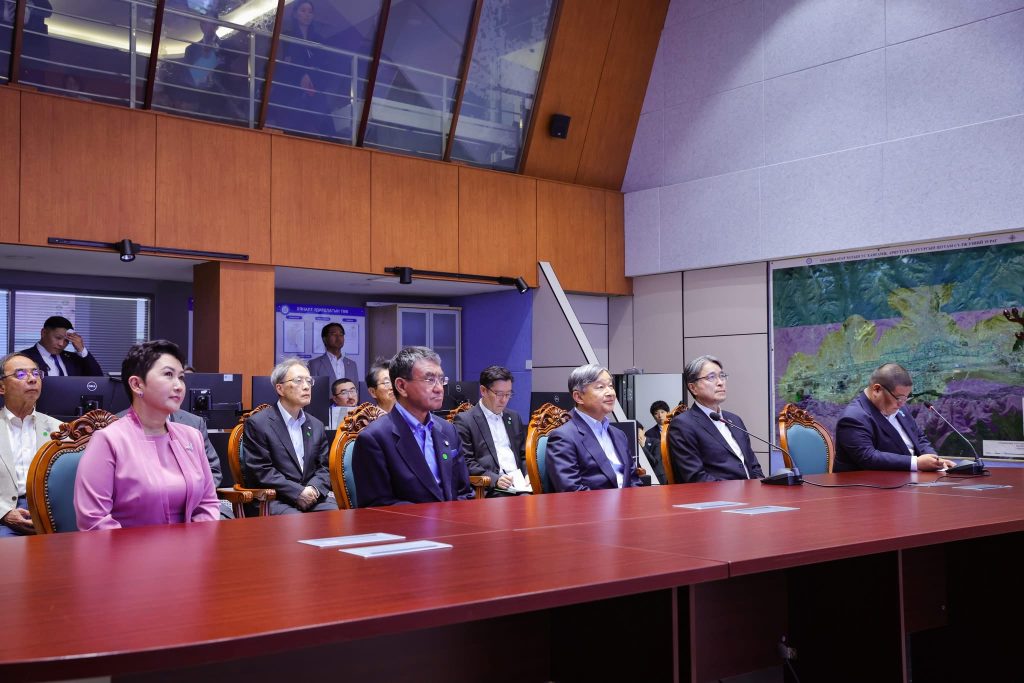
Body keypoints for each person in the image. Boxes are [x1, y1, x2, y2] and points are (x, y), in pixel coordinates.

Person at [74, 340, 219, 530]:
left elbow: (208, 503)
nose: (179, 386)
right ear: (137, 384)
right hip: (127, 547)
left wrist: (196, 541)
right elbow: (94, 520)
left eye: (181, 377)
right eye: (168, 375)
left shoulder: (192, 437)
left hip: (192, 545)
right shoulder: (108, 440)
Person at [354, 346, 474, 506]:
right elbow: (378, 506)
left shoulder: (448, 430)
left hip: (453, 518)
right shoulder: (374, 439)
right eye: (430, 380)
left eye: (441, 379)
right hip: (407, 521)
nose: (439, 388)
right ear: (401, 386)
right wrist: (435, 517)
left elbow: (464, 491)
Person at [242, 358, 335, 514]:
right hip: (274, 499)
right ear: (280, 389)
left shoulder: (316, 425)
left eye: (309, 381)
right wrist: (297, 492)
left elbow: (324, 467)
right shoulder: (258, 423)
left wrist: (313, 489)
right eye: (298, 381)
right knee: (296, 522)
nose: (306, 386)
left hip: (311, 497)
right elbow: (261, 471)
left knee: (338, 516)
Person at [834, 363, 956, 472]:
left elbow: (919, 438)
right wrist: (916, 463)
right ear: (877, 389)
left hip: (909, 480)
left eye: (906, 398)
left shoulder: (899, 407)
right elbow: (868, 457)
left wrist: (935, 460)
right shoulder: (853, 418)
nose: (902, 404)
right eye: (899, 398)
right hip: (865, 486)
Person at [546, 364, 642, 492]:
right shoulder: (563, 437)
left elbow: (634, 479)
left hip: (628, 502)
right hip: (591, 504)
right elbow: (572, 490)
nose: (610, 393)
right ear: (578, 397)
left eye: (610, 386)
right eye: (600, 387)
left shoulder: (619, 434)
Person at [667, 355, 764, 482]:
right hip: (716, 494)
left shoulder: (735, 420)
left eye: (722, 376)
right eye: (711, 377)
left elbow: (754, 466)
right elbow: (696, 477)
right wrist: (739, 491)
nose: (720, 382)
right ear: (693, 388)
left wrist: (758, 486)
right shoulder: (683, 425)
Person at [0, 353, 62, 536]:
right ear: (2, 387)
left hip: (52, 513)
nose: (32, 379)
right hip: (6, 514)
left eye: (36, 373)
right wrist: (4, 513)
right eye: (21, 374)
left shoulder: (60, 429)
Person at [453, 365, 530, 497]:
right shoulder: (465, 421)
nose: (504, 400)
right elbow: (466, 461)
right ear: (483, 390)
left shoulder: (513, 417)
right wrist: (495, 479)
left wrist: (528, 474)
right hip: (491, 487)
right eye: (499, 394)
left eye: (508, 394)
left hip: (519, 484)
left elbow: (524, 454)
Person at [19, 315, 103, 376]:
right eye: (58, 338)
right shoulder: (23, 357)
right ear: (43, 333)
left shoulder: (72, 359)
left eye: (66, 340)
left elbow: (97, 378)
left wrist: (81, 350)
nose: (61, 344)